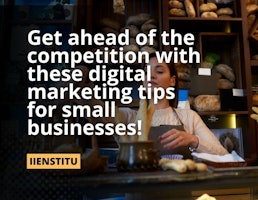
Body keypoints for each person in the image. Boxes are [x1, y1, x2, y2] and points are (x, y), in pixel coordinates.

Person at [74, 53, 228, 159]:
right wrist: (82, 80)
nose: (152, 75)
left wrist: (193, 140)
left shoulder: (188, 117)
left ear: (172, 81)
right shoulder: (128, 117)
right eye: (147, 72)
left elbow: (223, 154)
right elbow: (93, 108)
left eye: (159, 71)